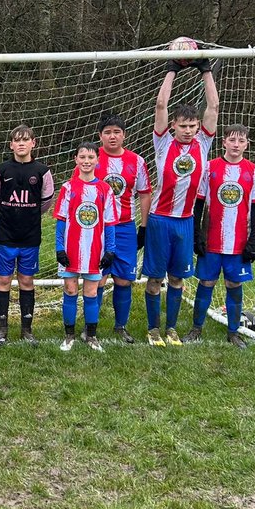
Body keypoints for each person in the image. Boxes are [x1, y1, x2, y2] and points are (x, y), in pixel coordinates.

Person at [143, 41, 219, 346]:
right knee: (154, 278)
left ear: (198, 126)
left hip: (186, 222)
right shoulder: (163, 143)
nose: (188, 130)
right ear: (173, 126)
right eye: (182, 125)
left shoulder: (202, 143)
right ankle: (152, 330)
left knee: (177, 278)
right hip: (161, 220)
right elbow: (160, 105)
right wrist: (172, 68)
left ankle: (171, 328)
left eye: (192, 125)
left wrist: (206, 69)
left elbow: (213, 106)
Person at [187, 124, 255, 347]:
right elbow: (199, 204)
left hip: (238, 243)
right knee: (206, 282)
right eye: (232, 140)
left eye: (241, 141)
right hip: (212, 240)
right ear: (224, 143)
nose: (236, 145)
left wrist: (254, 240)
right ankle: (196, 328)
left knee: (234, 285)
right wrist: (197, 235)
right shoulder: (210, 168)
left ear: (247, 144)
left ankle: (233, 332)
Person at [0, 124, 54, 345]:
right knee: (3, 279)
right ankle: (2, 330)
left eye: (26, 139)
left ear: (33, 143)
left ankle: (27, 330)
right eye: (17, 140)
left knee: (26, 280)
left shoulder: (43, 171)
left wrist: (28, 214)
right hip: (5, 234)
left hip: (30, 236)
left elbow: (45, 203)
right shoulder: (1, 170)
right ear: (11, 145)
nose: (21, 143)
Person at [53, 143, 119, 352]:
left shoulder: (105, 189)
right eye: (82, 157)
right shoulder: (68, 187)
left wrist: (110, 250)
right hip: (71, 249)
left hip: (94, 251)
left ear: (97, 160)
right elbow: (61, 221)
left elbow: (109, 223)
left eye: (91, 157)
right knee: (70, 289)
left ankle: (91, 336)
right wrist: (59, 248)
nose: (86, 161)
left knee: (91, 292)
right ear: (76, 160)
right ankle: (69, 336)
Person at [95, 113, 152, 343]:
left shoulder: (136, 161)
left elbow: (145, 193)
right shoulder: (91, 157)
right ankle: (91, 327)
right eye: (107, 132)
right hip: (97, 228)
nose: (112, 136)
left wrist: (144, 227)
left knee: (123, 280)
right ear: (100, 136)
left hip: (125, 227)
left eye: (116, 132)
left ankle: (121, 327)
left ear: (124, 135)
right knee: (97, 278)